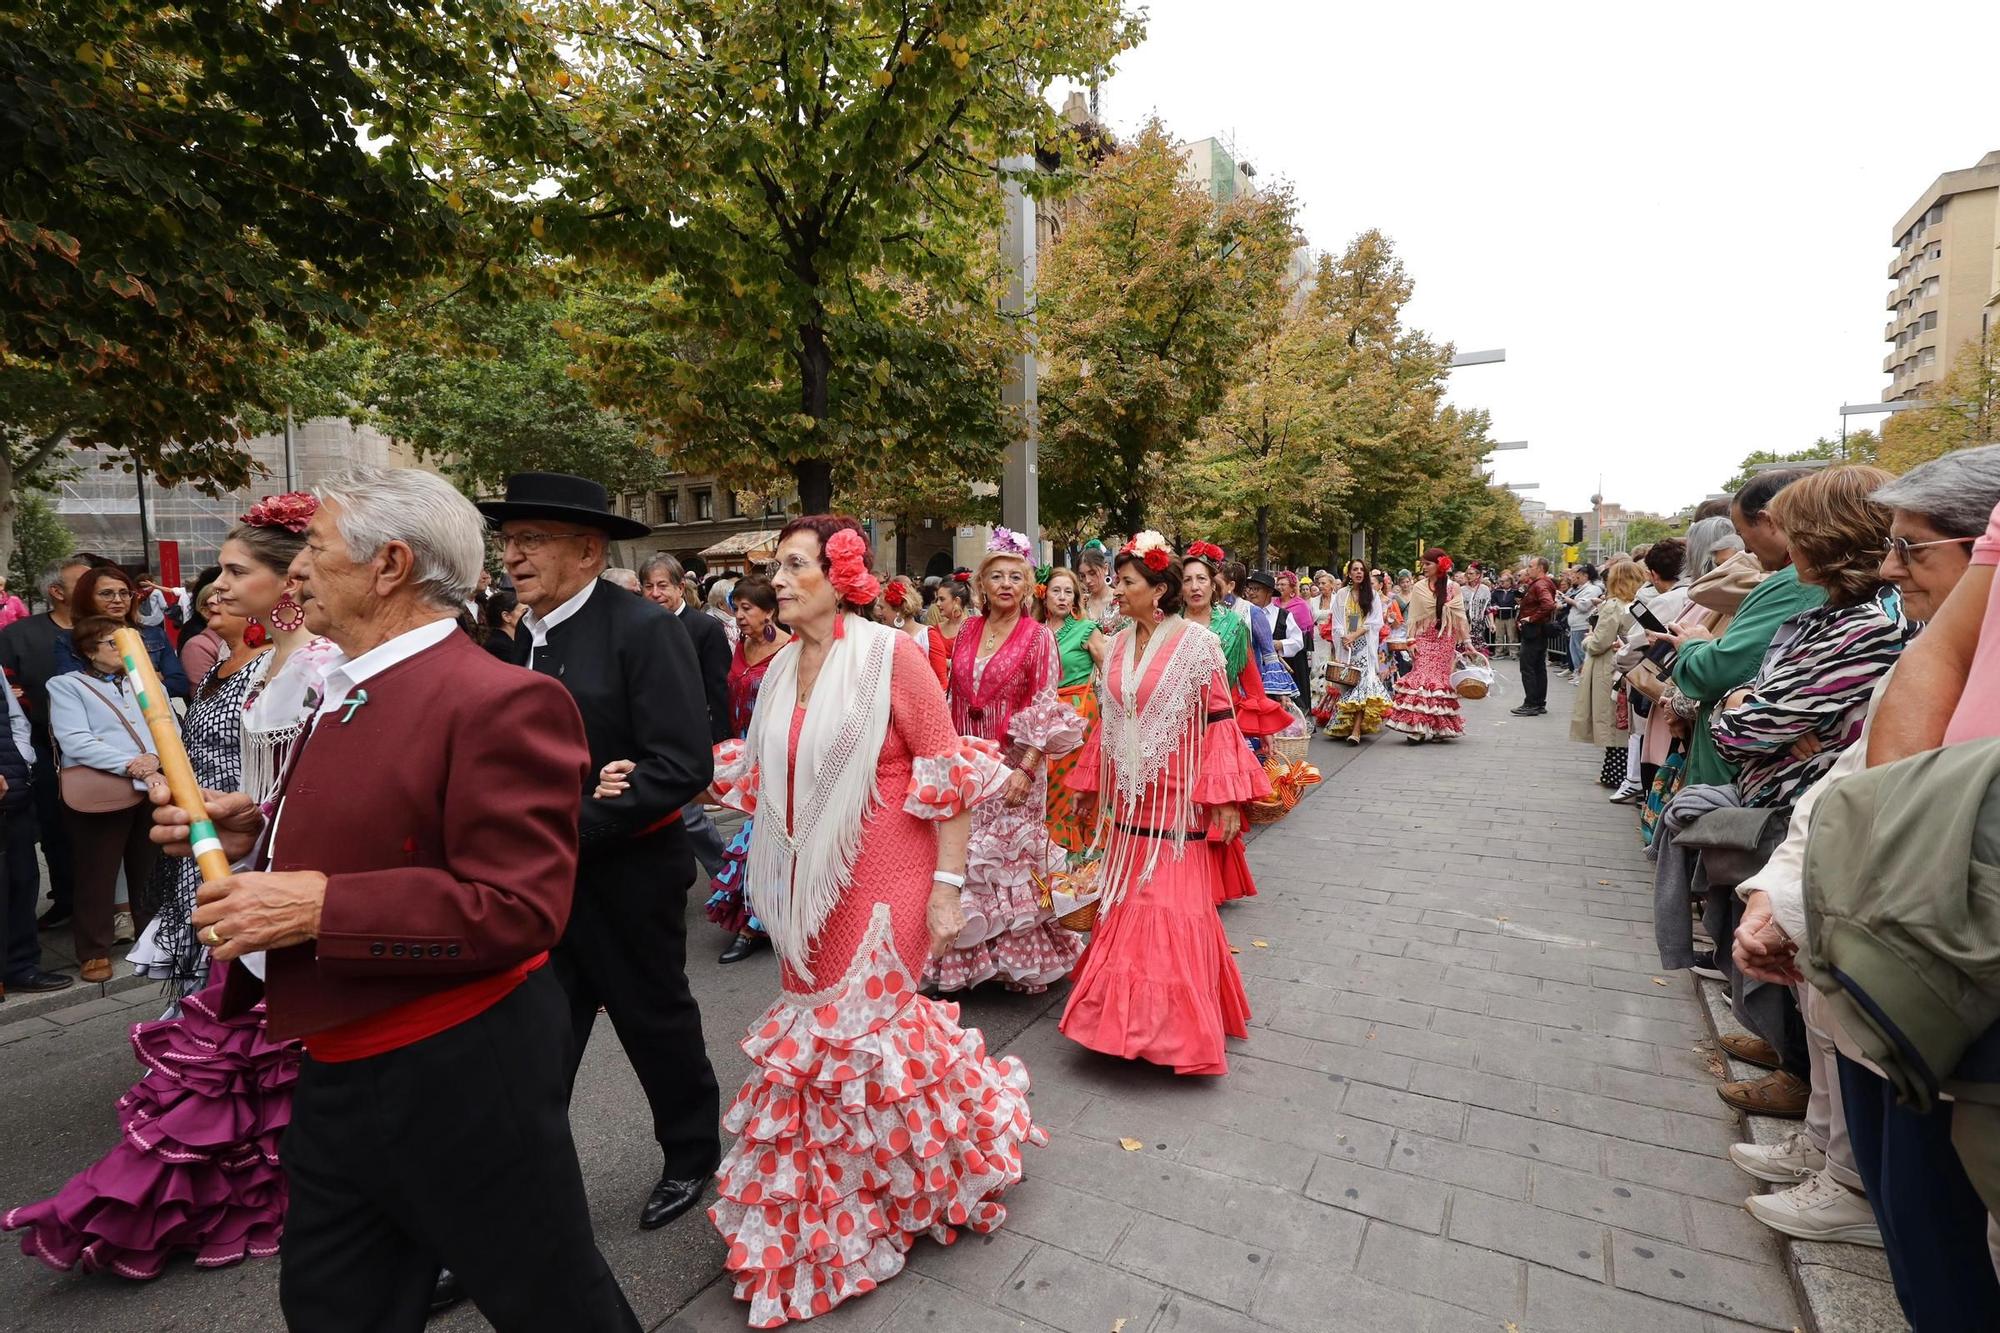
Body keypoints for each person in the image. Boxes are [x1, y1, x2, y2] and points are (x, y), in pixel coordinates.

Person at [131, 466, 639, 1330]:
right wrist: (258, 832)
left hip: (460, 1071)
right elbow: (391, 822)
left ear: (389, 563)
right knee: (335, 1306)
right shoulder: (347, 682)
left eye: (316, 552)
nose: (293, 574)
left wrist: (319, 907)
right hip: (338, 1065)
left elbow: (518, 905)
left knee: (553, 1303)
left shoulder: (502, 697)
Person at [665, 515, 1044, 1328]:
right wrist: (661, 777)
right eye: (777, 564)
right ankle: (868, 1183)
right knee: (820, 1039)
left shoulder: (890, 656)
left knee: (863, 1034)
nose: (779, 577)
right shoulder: (775, 668)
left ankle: (874, 1200)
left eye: (795, 563)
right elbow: (761, 769)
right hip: (806, 883)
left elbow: (945, 770)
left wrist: (947, 888)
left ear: (843, 578)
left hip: (889, 877)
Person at [4, 492, 336, 1287]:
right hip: (227, 853)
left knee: (253, 1052)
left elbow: (315, 784)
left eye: (233, 570)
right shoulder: (250, 660)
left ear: (290, 580)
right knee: (225, 1046)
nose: (212, 588)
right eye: (214, 571)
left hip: (272, 875)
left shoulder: (321, 661)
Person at [1731, 447, 2000, 1324]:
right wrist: (1780, 894)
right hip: (1898, 954)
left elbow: (1811, 741)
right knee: (1914, 1202)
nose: (1892, 566)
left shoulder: (1888, 633)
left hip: (1943, 967)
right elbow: (1847, 779)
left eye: (1912, 549)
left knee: (1931, 1198)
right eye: (1887, 544)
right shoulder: (1919, 642)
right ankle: (1834, 1164)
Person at [485, 473, 721, 1235]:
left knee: (655, 1021)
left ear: (587, 549)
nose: (512, 556)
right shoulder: (525, 633)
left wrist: (579, 813)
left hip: (627, 880)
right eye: (509, 541)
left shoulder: (643, 629)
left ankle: (691, 1153)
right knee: (534, 1043)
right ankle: (515, 1193)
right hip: (543, 884)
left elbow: (683, 763)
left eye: (531, 541)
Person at [1059, 532, 1269, 1075]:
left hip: (1179, 804)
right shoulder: (1118, 641)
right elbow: (1109, 720)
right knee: (1128, 907)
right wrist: (1090, 786)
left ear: (1157, 589)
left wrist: (1224, 798)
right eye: (1116, 580)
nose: (1115, 588)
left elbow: (1220, 719)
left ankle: (1169, 1034)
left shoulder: (1197, 644)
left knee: (1170, 908)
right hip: (1129, 802)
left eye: (1125, 581)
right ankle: (1122, 1029)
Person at [928, 529, 1084, 994]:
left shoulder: (1037, 637)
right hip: (968, 761)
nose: (1006, 584)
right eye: (996, 576)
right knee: (967, 859)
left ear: (1027, 585)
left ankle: (1014, 964)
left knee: (1007, 861)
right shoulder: (968, 630)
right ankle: (966, 961)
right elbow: (953, 692)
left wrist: (1028, 767)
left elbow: (1046, 704)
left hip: (1016, 766)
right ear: (981, 584)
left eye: (1016, 577)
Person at [125, 582, 270, 1006]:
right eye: (209, 592)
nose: (214, 596)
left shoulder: (273, 668)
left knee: (228, 936)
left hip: (240, 819)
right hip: (201, 817)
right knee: (201, 924)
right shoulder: (215, 667)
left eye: (235, 578)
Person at [1661, 472, 1825, 794]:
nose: (1743, 547)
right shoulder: (1797, 580)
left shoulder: (1797, 583)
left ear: (1768, 520)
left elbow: (1716, 671)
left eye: (1740, 532)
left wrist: (1695, 646)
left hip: (1743, 778)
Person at [48, 615, 169, 981]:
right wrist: (133, 765)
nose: (124, 649)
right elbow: (75, 741)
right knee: (95, 872)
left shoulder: (147, 682)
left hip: (153, 785)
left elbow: (170, 728)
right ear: (89, 651)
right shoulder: (66, 685)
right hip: (101, 789)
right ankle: (94, 950)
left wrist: (156, 760)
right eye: (112, 643)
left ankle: (154, 939)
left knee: (150, 869)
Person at [706, 575, 788, 965]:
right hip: (746, 752)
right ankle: (774, 917)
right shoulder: (740, 645)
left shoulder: (790, 648)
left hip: (779, 756)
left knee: (761, 838)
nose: (738, 616)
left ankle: (752, 925)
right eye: (735, 608)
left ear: (769, 611)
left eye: (747, 608)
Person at [639, 552, 733, 885]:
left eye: (662, 585)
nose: (655, 593)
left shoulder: (703, 626)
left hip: (691, 737)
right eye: (648, 586)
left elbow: (718, 686)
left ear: (681, 587)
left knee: (690, 817)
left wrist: (721, 738)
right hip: (649, 738)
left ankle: (729, 880)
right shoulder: (640, 625)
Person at [1181, 544, 1290, 743]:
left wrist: (1265, 730)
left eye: (1202, 579)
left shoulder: (1234, 624)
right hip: (1179, 725)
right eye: (1187, 580)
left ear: (1213, 585)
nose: (1194, 587)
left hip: (1220, 722)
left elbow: (1250, 676)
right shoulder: (1169, 624)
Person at [0, 678, 67, 998]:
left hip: (14, 791)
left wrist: (22, 756)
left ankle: (21, 966)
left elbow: (14, 717)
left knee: (23, 879)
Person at [1038, 567, 1106, 863]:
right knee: (1045, 781)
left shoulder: (1086, 629)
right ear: (1044, 594)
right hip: (1041, 714)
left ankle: (1075, 852)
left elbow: (1112, 672)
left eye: (1069, 592)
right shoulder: (1032, 628)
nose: (1063, 597)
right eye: (1056, 590)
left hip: (1078, 713)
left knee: (1070, 782)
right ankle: (1047, 851)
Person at [54, 565, 191, 701]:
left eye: (124, 593)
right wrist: (150, 677)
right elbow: (77, 692)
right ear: (87, 598)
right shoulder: (69, 640)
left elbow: (179, 684)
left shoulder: (154, 634)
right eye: (106, 593)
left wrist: (111, 680)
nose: (118, 600)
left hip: (157, 717)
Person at [1384, 549, 1474, 743]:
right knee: (1421, 679)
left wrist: (1467, 642)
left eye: (1427, 564)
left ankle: (1440, 727)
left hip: (1445, 640)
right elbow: (1413, 618)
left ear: (1439, 565)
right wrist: (1411, 641)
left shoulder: (1454, 587)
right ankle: (1417, 728)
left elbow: (1460, 618)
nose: (1423, 567)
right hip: (1423, 638)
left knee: (1440, 684)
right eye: (1422, 563)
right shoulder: (1419, 587)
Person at [1570, 560, 1640, 784]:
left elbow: (1600, 642)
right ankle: (1614, 772)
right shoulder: (1639, 603)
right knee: (1622, 720)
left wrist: (1588, 639)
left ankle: (1615, 774)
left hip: (1609, 666)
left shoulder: (1613, 606)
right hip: (1629, 664)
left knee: (1611, 721)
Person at [1328, 558, 1391, 745]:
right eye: (1354, 569)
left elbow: (1375, 621)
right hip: (1347, 645)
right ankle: (1349, 725)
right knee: (1349, 685)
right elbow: (1337, 621)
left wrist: (1355, 635)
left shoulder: (1372, 594)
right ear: (1349, 573)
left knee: (1363, 685)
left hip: (1364, 646)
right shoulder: (1341, 594)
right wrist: (1344, 638)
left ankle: (1355, 730)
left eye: (1361, 570)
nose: (1358, 573)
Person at [1242, 571, 1303, 705]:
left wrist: (1279, 644)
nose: (1251, 593)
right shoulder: (1243, 613)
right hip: (1249, 673)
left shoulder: (1283, 615)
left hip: (1274, 678)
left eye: (1256, 589)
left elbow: (1298, 641)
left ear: (1269, 592)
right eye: (1250, 589)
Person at [1512, 556, 1559, 716]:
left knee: (1529, 667)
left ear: (1540, 568)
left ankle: (1531, 703)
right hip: (1538, 630)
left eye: (1531, 566)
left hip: (1534, 631)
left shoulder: (1540, 584)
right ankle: (1538, 703)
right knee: (1538, 667)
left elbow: (1548, 604)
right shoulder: (1544, 583)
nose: (1528, 568)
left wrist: (1530, 618)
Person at [925, 573, 972, 688]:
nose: (937, 604)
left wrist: (944, 662)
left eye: (942, 599)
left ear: (956, 601)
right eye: (937, 599)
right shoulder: (934, 630)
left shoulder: (976, 628)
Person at [1557, 564, 1603, 678]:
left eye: (1578, 576)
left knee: (1581, 652)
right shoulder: (1579, 589)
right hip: (1575, 624)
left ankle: (1583, 675)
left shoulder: (1593, 589)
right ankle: (1578, 673)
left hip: (1582, 623)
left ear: (1585, 576)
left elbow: (1584, 606)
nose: (1575, 579)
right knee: (1575, 652)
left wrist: (1568, 600)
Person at [1274, 570, 1315, 698]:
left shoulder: (1301, 605)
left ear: (1292, 587)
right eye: (1278, 584)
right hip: (1276, 651)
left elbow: (1304, 632)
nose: (1279, 587)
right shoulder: (1273, 603)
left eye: (1283, 585)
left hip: (1295, 655)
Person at [1307, 569, 1340, 698]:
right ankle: (1316, 697)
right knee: (1316, 667)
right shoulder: (1313, 600)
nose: (1320, 586)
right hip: (1317, 635)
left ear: (1331, 585)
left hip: (1333, 637)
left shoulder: (1338, 599)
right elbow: (1310, 617)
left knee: (1330, 666)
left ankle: (1330, 697)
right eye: (1319, 583)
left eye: (1324, 583)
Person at [1078, 541, 1122, 633]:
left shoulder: (1121, 600)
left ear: (1105, 569)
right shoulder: (1080, 603)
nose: (1088, 580)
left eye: (1092, 573)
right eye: (1083, 576)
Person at [1488, 569, 1519, 659]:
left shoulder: (1514, 591)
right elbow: (1492, 601)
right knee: (1498, 636)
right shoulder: (1496, 591)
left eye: (1503, 581)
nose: (1501, 583)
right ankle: (1499, 652)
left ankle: (1514, 652)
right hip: (1499, 616)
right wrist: (1495, 605)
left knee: (1512, 635)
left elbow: (1517, 601)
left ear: (1509, 581)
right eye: (1500, 581)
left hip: (1510, 616)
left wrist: (1515, 606)